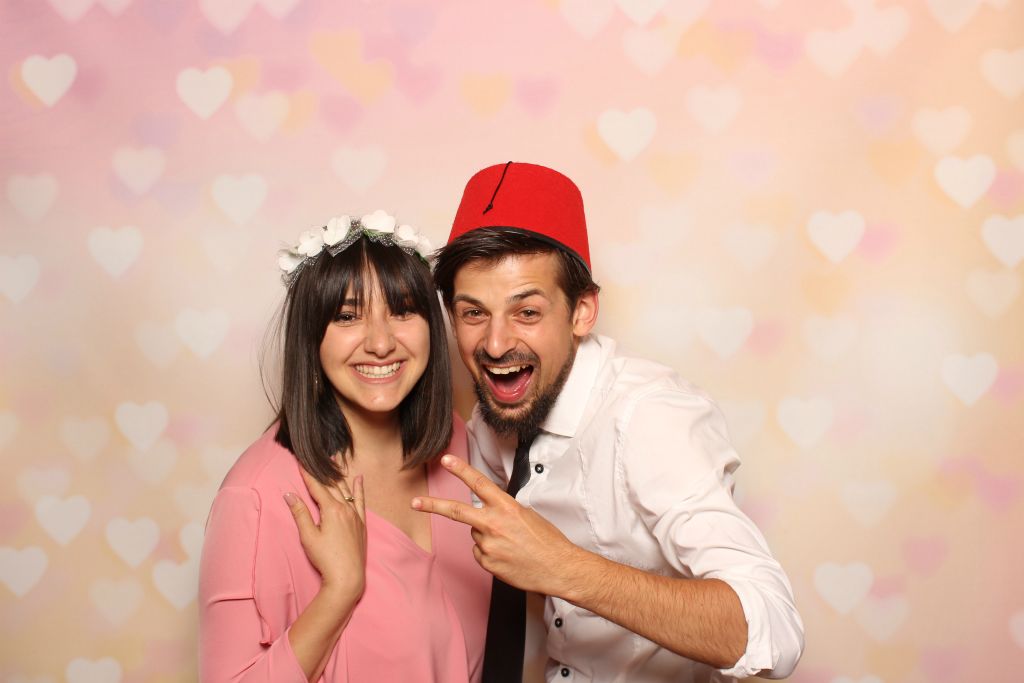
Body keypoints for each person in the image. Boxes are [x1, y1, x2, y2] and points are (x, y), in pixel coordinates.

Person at [413, 162, 805, 682]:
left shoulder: (650, 417)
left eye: (527, 312)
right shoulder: (492, 418)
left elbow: (773, 632)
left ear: (582, 311)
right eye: (473, 313)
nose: (496, 343)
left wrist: (563, 567)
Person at [198, 211, 491, 682]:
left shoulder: (458, 445)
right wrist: (340, 591)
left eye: (402, 310)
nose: (381, 343)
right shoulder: (254, 496)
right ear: (311, 338)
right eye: (348, 316)